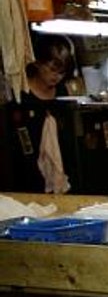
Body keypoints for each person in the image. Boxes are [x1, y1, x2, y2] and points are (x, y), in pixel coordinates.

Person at [5, 34, 73, 193]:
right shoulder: (20, 96)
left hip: (63, 176)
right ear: (37, 63)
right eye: (52, 69)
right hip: (26, 178)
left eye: (62, 72)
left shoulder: (62, 94)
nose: (56, 77)